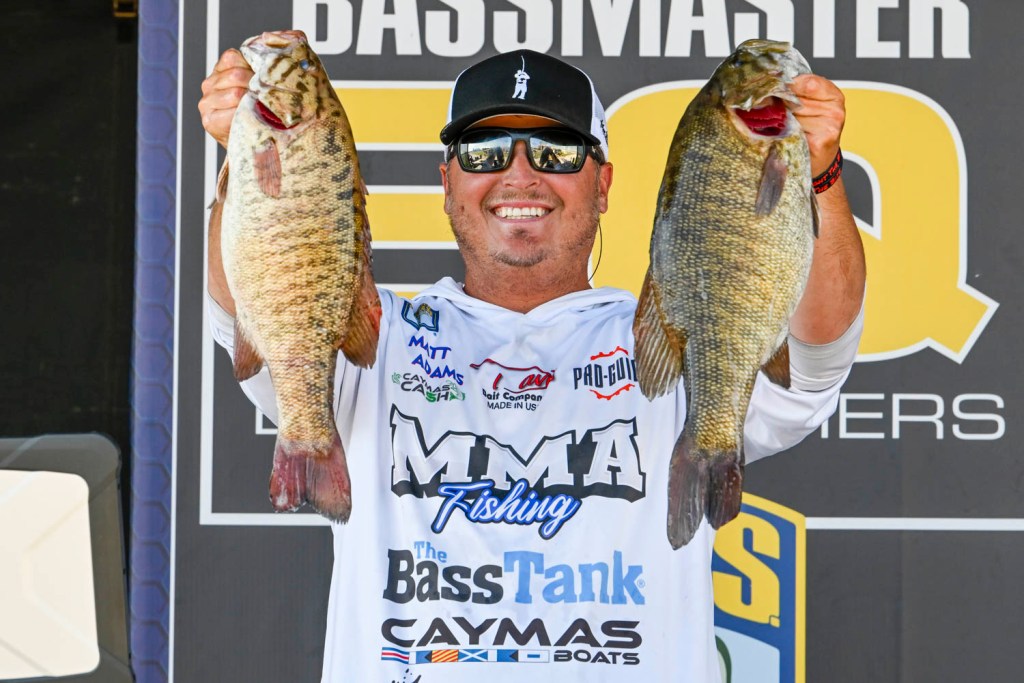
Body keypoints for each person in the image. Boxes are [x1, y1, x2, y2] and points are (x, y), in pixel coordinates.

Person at [199, 47, 865, 682]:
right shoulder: (370, 333)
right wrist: (252, 155)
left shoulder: (675, 333)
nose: (520, 175)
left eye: (556, 151)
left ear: (603, 184)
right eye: (485, 151)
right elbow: (245, 311)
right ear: (448, 182)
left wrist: (820, 173)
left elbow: (815, 361)